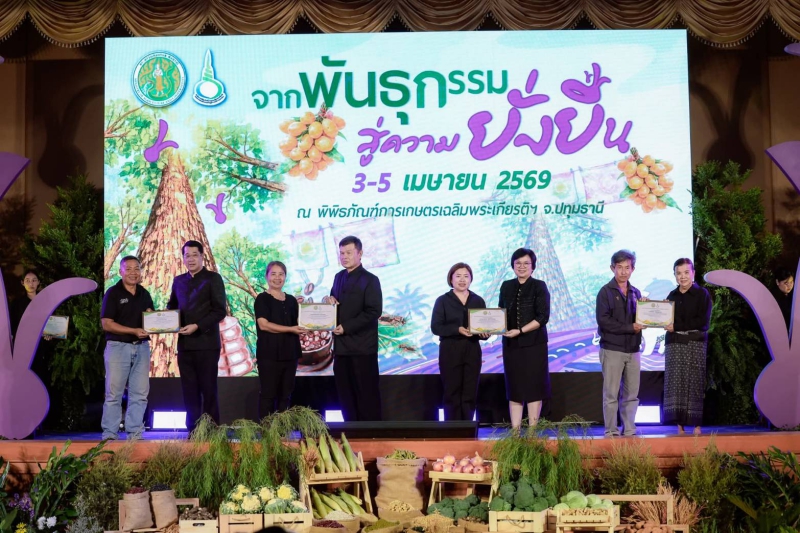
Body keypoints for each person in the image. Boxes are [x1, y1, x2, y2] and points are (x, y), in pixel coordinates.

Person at [167, 240, 227, 430]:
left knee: (208, 390)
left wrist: (197, 326)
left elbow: (220, 311)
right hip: (185, 345)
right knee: (189, 391)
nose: (191, 259)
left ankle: (211, 430)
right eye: (187, 255)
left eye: (195, 255)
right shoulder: (178, 281)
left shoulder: (213, 279)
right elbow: (172, 307)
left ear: (202, 256)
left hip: (207, 344)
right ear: (183, 258)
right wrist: (161, 319)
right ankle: (193, 431)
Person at [324, 235, 383, 421]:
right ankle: (350, 433)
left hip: (363, 349)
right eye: (341, 253)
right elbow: (334, 303)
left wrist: (346, 327)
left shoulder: (370, 280)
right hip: (341, 349)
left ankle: (371, 435)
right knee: (345, 395)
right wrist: (328, 300)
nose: (344, 257)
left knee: (366, 395)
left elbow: (374, 311)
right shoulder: (338, 277)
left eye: (349, 253)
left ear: (360, 253)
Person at [100, 256, 155, 440]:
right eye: (128, 269)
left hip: (141, 348)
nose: (133, 272)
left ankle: (135, 433)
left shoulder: (144, 294)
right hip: (118, 347)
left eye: (136, 268)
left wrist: (155, 322)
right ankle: (110, 434)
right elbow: (107, 324)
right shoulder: (113, 293)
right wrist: (133, 331)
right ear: (121, 272)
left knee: (140, 393)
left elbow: (151, 319)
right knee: (113, 394)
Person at [498, 248, 551, 430]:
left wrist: (520, 331)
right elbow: (500, 314)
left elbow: (543, 317)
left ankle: (532, 433)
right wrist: (489, 328)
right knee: (514, 388)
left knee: (534, 388)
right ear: (513, 265)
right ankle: (515, 433)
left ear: (533, 266)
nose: (521, 266)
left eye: (526, 263)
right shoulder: (506, 286)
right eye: (518, 263)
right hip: (511, 345)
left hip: (534, 345)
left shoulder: (539, 286)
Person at [596, 249, 644, 437]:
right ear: (612, 268)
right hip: (612, 349)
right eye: (619, 267)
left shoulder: (636, 293)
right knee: (611, 394)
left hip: (633, 350)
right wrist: (630, 327)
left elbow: (642, 319)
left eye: (627, 267)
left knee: (632, 395)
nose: (624, 271)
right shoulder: (605, 292)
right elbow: (604, 321)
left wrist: (648, 311)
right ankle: (611, 431)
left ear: (633, 269)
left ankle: (629, 429)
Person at [431, 262, 487, 421]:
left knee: (470, 392)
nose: (462, 280)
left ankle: (468, 429)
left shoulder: (478, 300)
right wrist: (457, 329)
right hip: (450, 350)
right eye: (458, 276)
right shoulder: (442, 300)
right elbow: (436, 327)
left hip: (472, 350)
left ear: (471, 279)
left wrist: (485, 334)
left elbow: (483, 327)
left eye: (466, 276)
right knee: (452, 392)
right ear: (451, 279)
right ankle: (452, 430)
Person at [663, 258, 712, 435]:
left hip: (694, 344)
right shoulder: (671, 296)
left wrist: (677, 326)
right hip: (675, 344)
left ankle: (696, 425)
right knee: (676, 384)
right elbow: (664, 318)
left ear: (693, 273)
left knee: (694, 383)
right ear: (675, 275)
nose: (682, 276)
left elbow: (703, 322)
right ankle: (680, 426)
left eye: (686, 272)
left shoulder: (702, 294)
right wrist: (650, 309)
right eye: (678, 273)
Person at [254, 261, 304, 418]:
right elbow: (263, 325)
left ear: (285, 277)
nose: (277, 278)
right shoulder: (262, 299)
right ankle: (266, 431)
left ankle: (283, 430)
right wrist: (290, 329)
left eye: (281, 274)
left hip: (290, 354)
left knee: (285, 396)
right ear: (266, 277)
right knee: (268, 395)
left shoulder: (291, 300)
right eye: (273, 274)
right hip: (269, 355)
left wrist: (308, 312)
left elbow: (300, 323)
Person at [770, 267, 794, 331]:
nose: (789, 285)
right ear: (777, 282)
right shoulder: (773, 298)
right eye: (786, 283)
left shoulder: (792, 295)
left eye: (791, 282)